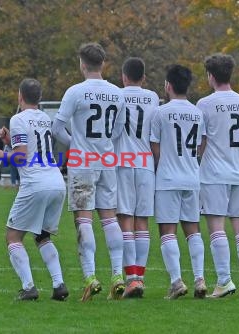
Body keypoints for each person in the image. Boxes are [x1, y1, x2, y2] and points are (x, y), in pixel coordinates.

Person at [52, 42, 126, 301]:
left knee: (84, 219)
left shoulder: (75, 91)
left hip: (83, 162)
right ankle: (118, 275)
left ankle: (91, 276)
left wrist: (77, 142)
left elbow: (57, 128)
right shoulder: (118, 93)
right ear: (103, 64)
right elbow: (118, 130)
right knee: (109, 219)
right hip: (107, 161)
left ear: (82, 64)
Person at [0, 78, 68, 301]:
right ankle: (59, 284)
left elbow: (22, 156)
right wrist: (8, 141)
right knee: (42, 236)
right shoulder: (44, 118)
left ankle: (29, 287)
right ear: (39, 98)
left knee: (13, 237)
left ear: (19, 96)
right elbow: (32, 148)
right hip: (57, 182)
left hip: (36, 183)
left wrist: (0, 154)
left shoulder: (18, 119)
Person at [198, 53, 239, 297]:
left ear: (211, 76)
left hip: (214, 173)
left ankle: (224, 280)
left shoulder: (205, 104)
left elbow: (202, 141)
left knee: (216, 228)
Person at [150, 64, 207, 299]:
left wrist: (163, 165)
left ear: (168, 85)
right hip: (192, 177)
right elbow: (202, 143)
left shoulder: (161, 112)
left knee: (167, 231)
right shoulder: (197, 112)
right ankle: (200, 279)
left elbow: (154, 145)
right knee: (193, 230)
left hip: (168, 179)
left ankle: (176, 282)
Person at [114, 57, 159, 298]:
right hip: (146, 162)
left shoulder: (118, 95)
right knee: (142, 221)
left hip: (123, 161)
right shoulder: (152, 97)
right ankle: (139, 277)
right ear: (143, 77)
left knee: (125, 221)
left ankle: (130, 278)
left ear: (123, 76)